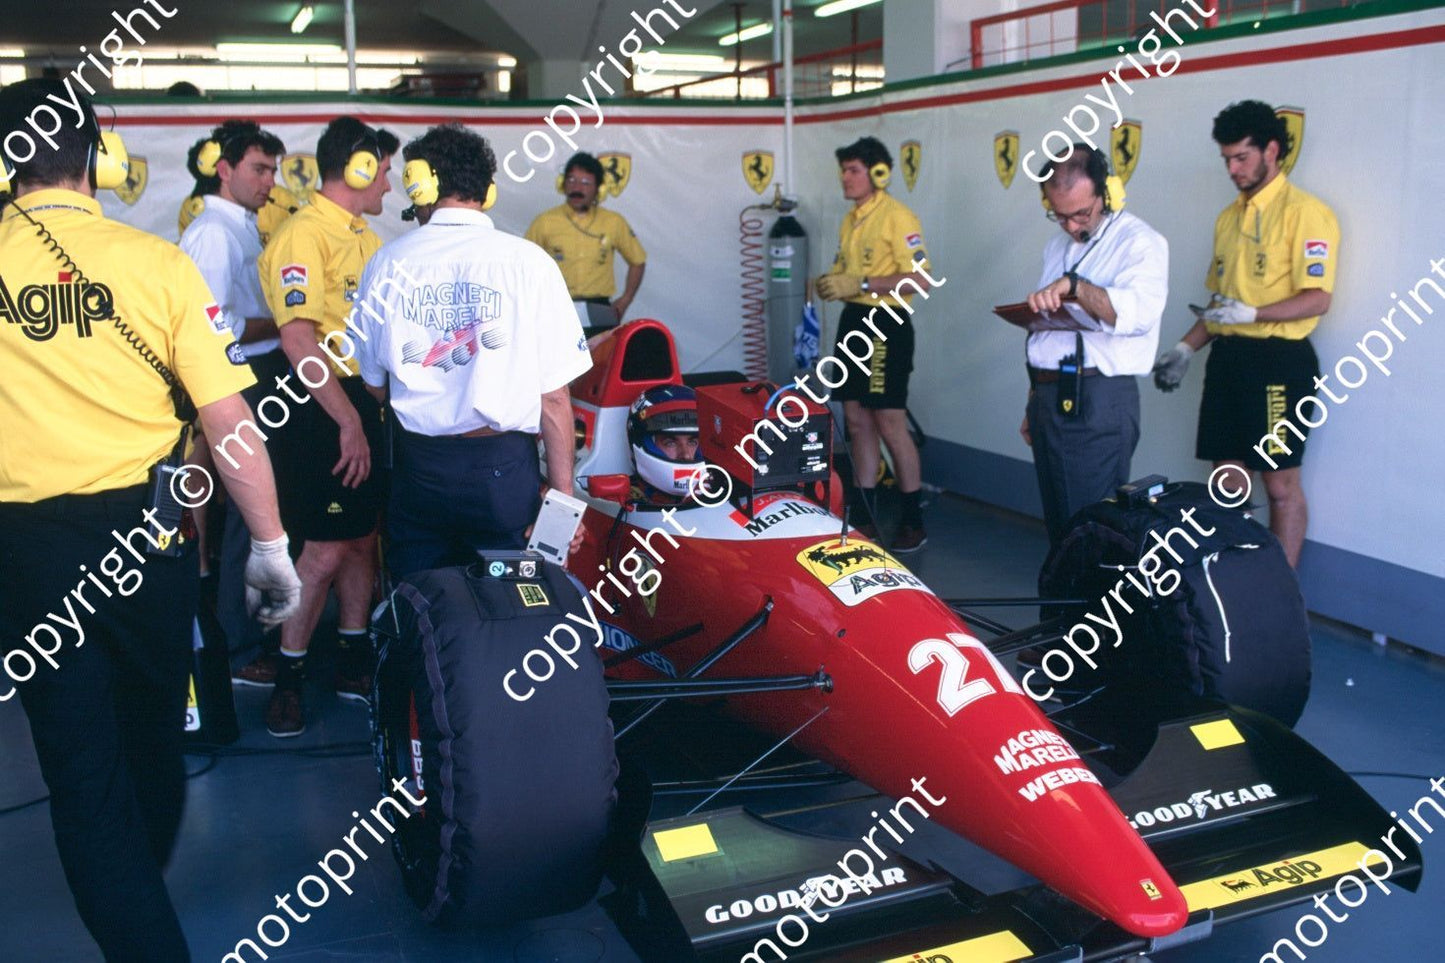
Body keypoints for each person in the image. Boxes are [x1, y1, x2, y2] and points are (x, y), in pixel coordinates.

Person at [0, 78, 300, 962]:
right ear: (99, 158)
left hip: (25, 552)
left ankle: (125, 892)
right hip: (146, 542)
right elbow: (229, 423)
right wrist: (271, 545)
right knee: (156, 739)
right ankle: (140, 904)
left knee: (82, 774)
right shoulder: (156, 263)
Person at [352, 123, 592, 579]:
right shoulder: (529, 264)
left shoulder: (387, 264)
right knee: (514, 600)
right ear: (487, 190)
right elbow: (554, 398)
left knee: (420, 599)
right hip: (503, 471)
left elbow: (375, 386)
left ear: (420, 185)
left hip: (419, 469)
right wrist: (562, 501)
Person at [256, 116, 398, 736]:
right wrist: (348, 421)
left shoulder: (365, 236)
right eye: (384, 170)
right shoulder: (303, 235)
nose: (390, 183)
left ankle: (352, 659)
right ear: (359, 169)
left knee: (362, 538)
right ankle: (286, 678)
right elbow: (297, 340)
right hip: (318, 406)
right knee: (323, 549)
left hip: (360, 401)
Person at [1153, 101, 1338, 568]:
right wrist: (1185, 348)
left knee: (1279, 486)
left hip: (1279, 362)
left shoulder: (1306, 213)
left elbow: (1317, 299)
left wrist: (1254, 312)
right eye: (1227, 159)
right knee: (1227, 486)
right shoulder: (1228, 219)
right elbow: (1220, 306)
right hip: (1229, 360)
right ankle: (1237, 586)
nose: (1232, 169)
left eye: (1241, 157)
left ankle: (1282, 592)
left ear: (1270, 150)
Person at [179, 120, 292, 687]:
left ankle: (254, 635)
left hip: (260, 373)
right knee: (249, 517)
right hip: (240, 378)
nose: (269, 181)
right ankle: (239, 649)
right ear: (223, 169)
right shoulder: (213, 234)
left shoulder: (241, 227)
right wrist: (286, 324)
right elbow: (211, 326)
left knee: (260, 514)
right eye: (258, 169)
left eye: (273, 170)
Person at [1021, 145, 1168, 546]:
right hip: (1051, 396)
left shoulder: (1138, 243)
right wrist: (1035, 399)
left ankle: (1091, 592)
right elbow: (1050, 333)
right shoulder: (1057, 246)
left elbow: (1137, 315)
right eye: (1059, 215)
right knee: (1060, 525)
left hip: (1096, 399)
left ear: (1108, 193)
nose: (1070, 225)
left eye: (1081, 214)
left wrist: (1075, 287)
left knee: (1089, 528)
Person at [815, 136, 935, 552]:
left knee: (888, 421)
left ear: (879, 174)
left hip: (886, 322)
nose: (845, 178)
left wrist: (863, 283)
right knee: (856, 419)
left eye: (854, 170)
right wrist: (834, 283)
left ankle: (913, 519)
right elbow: (848, 273)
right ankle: (863, 513)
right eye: (843, 170)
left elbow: (921, 278)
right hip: (854, 320)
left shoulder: (898, 217)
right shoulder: (851, 219)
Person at [524, 151, 646, 336]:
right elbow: (523, 264)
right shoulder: (545, 222)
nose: (577, 188)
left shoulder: (613, 222)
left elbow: (637, 260)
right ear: (562, 184)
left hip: (599, 310)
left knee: (599, 355)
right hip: (556, 307)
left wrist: (625, 299)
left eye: (586, 183)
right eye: (572, 180)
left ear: (599, 189)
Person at [627, 384, 705, 505]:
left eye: (692, 442)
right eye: (670, 443)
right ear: (642, 441)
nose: (686, 455)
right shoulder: (621, 502)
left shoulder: (716, 492)